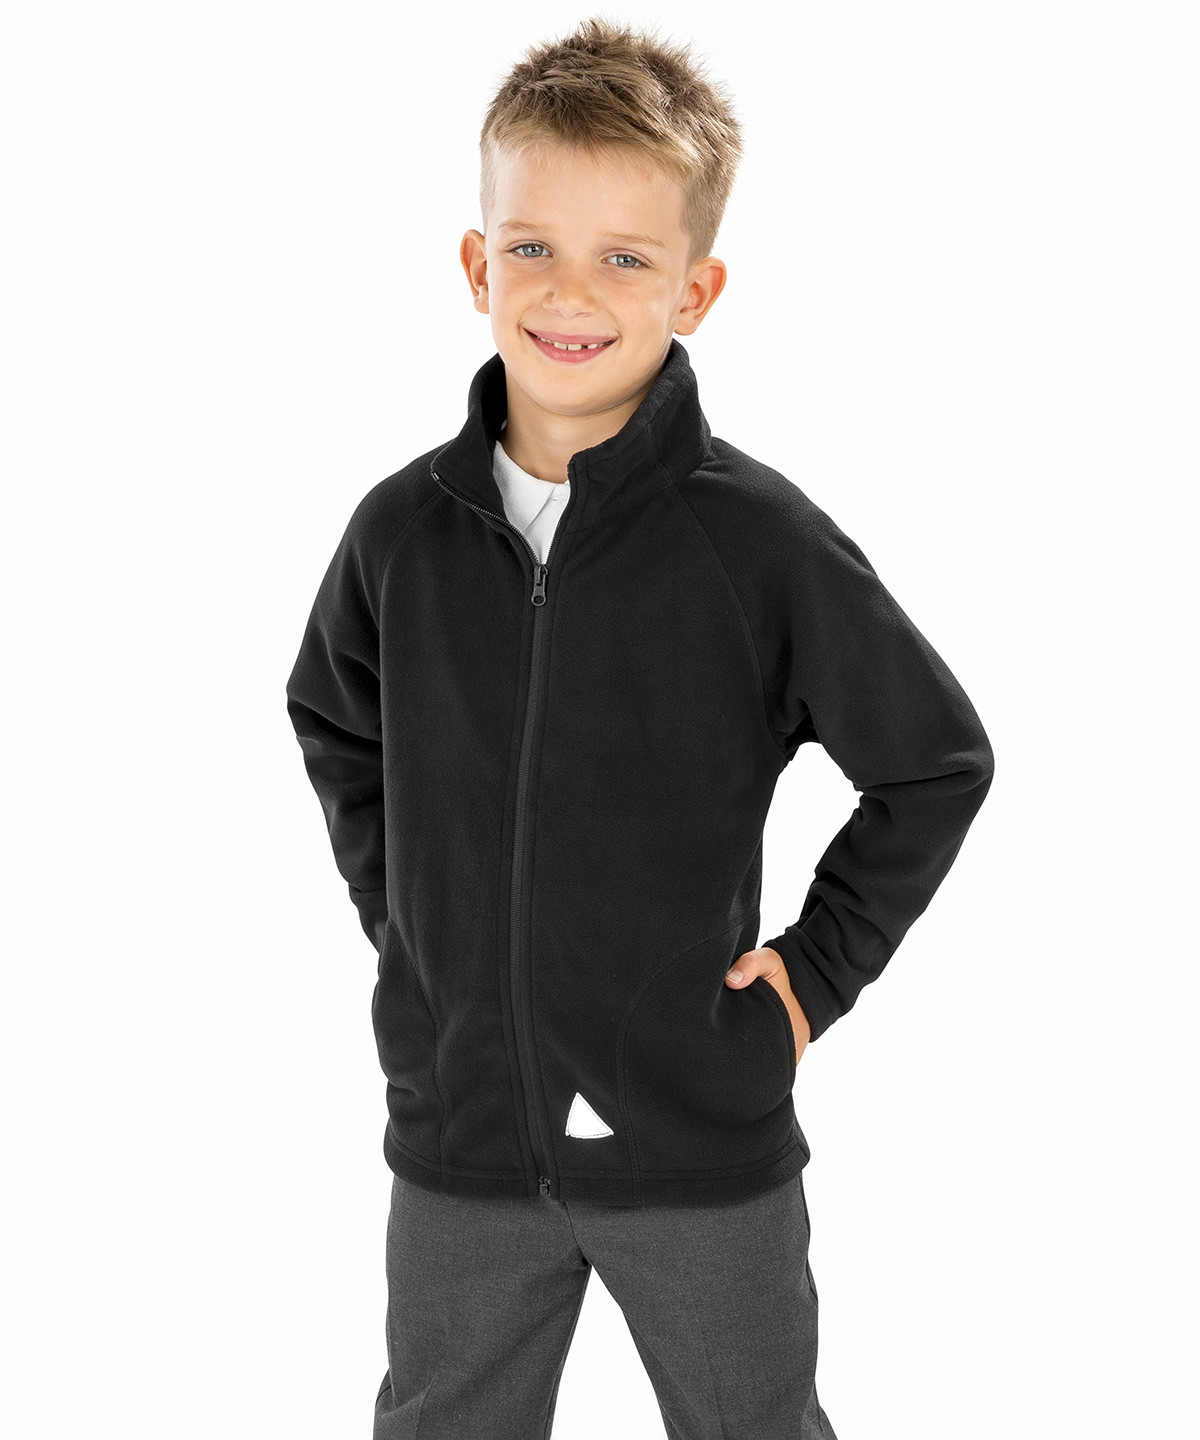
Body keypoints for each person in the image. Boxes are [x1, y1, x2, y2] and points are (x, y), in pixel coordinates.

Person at [285, 15, 995, 1438]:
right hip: (463, 1140)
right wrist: (414, 929)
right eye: (533, 247)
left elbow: (934, 763)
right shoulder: (401, 535)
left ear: (696, 288)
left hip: (696, 1141)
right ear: (477, 266)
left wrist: (810, 978)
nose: (571, 292)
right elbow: (334, 722)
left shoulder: (759, 543)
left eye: (624, 258)